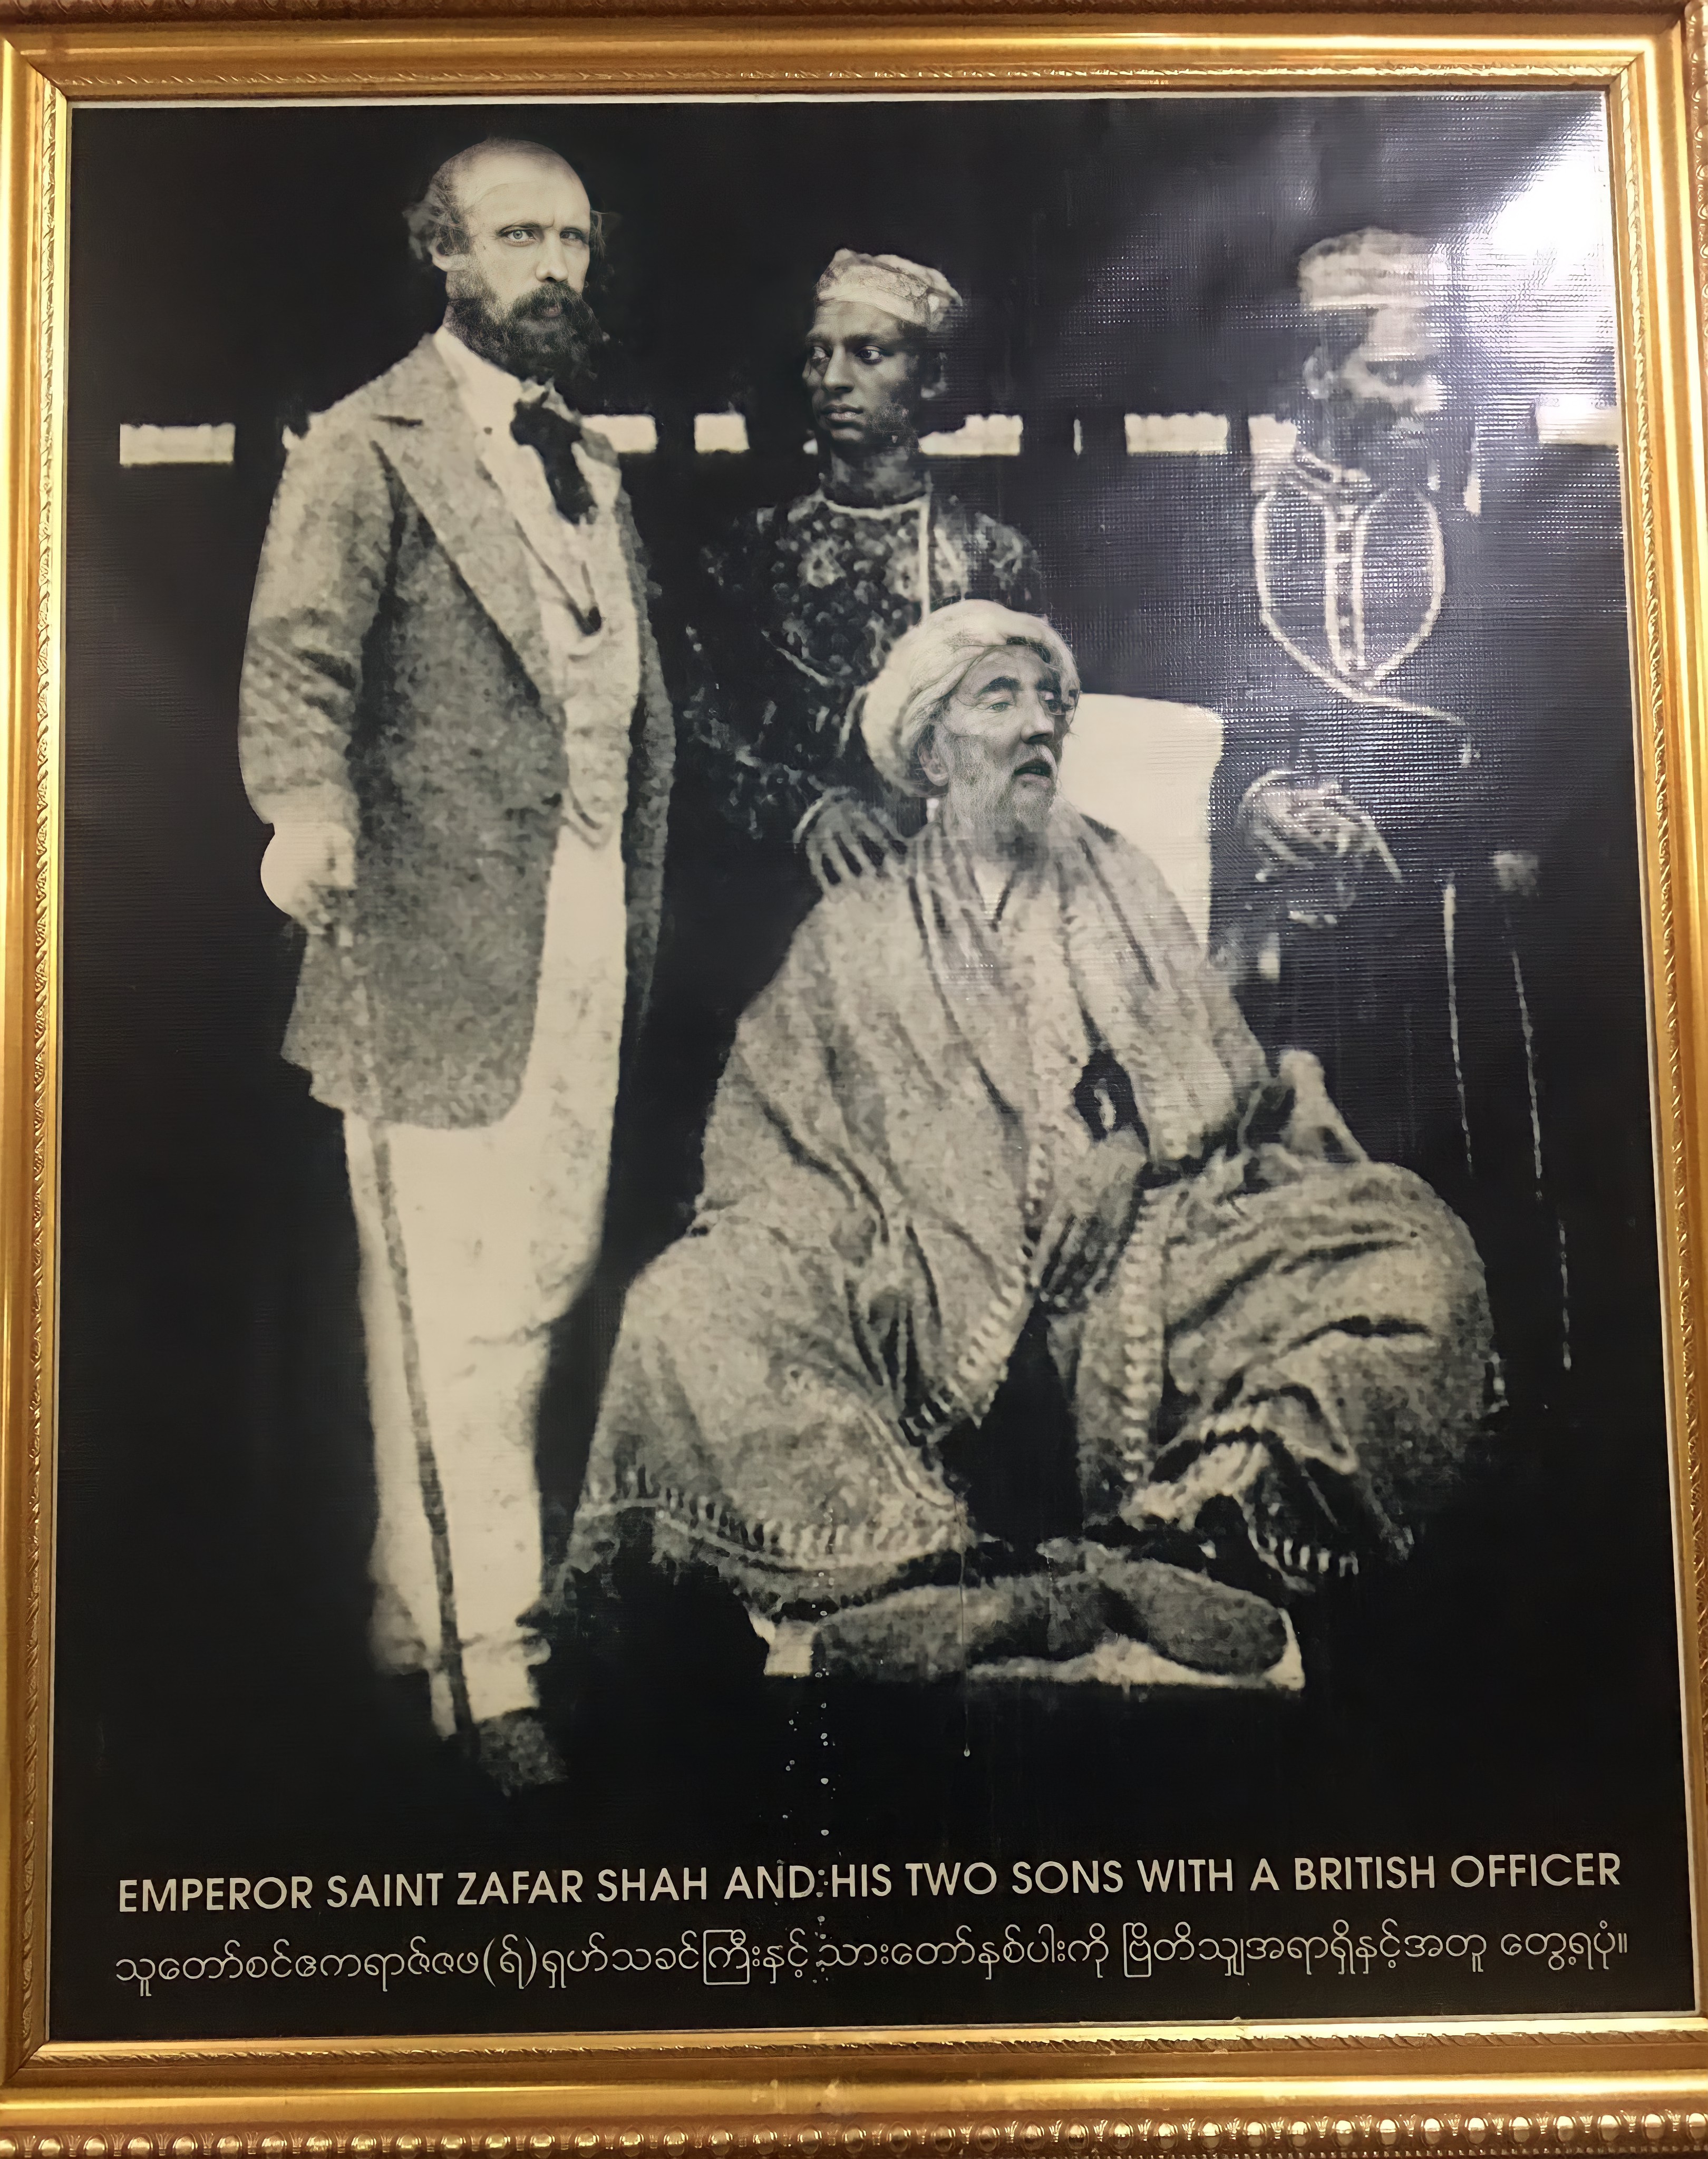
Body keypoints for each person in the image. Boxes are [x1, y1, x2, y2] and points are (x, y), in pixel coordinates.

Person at [567, 602, 1490, 1680]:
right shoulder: (851, 931)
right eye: (999, 698)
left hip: (1154, 1263)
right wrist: (896, 1224)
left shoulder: (1124, 878)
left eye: (1051, 699)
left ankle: (1185, 1534)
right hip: (920, 1287)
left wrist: (1131, 1146)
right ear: (931, 753)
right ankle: (922, 1570)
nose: (1038, 723)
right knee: (687, 1305)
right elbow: (776, 1142)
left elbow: (1223, 1065)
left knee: (1417, 1258)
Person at [238, 138, 674, 1791]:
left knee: (543, 1290)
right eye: (515, 237)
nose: (552, 264)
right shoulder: (367, 443)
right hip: (424, 947)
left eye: (571, 234)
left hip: (582, 936)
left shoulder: (594, 463)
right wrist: (302, 819)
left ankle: (404, 1617)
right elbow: (297, 666)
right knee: (448, 1315)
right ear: (446, 257)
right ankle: (491, 1666)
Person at [1204, 226, 1626, 1412]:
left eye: (1441, 373)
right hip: (1283, 951)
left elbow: (1535, 756)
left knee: (1463, 1177)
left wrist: (1397, 821)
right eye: (1397, 373)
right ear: (1316, 376)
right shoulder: (1223, 544)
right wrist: (1256, 801)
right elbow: (1197, 727)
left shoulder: (1476, 547)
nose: (1428, 401)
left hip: (1443, 949)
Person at [647, 256, 1045, 1234]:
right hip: (773, 914)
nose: (833, 380)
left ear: (931, 383)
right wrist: (805, 811)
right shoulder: (745, 553)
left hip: (945, 916)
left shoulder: (993, 562)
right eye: (820, 356)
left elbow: (1030, 741)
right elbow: (691, 730)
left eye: (870, 355)